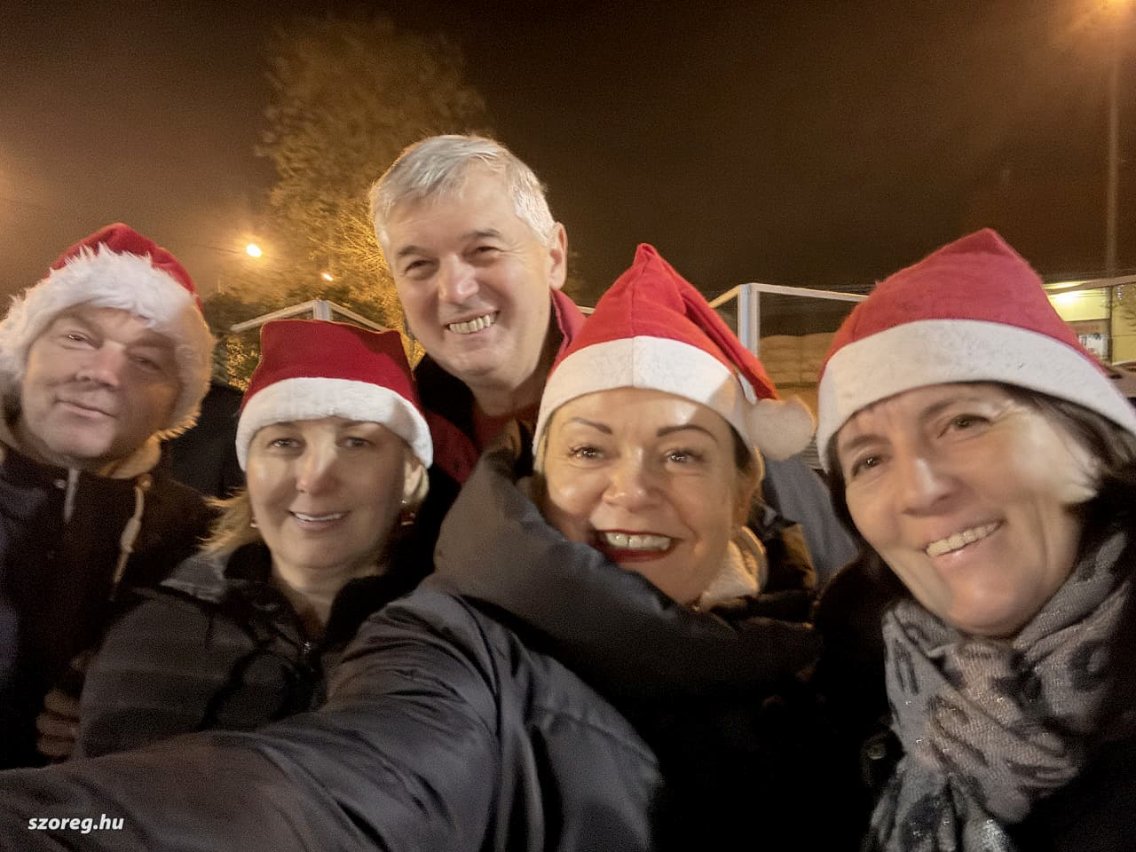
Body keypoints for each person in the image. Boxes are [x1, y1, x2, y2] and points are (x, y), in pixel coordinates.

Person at [0, 244, 859, 851]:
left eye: (682, 453)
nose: (631, 489)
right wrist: (52, 823)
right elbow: (321, 789)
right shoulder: (456, 641)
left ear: (744, 492)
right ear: (540, 479)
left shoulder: (855, 647)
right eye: (589, 450)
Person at [371, 133, 853, 585]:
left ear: (554, 257)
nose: (454, 290)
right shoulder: (394, 442)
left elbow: (837, 598)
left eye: (483, 250)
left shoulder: (703, 409)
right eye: (419, 265)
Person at [812, 229, 1136, 851]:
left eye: (964, 422)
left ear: (1094, 443)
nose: (918, 490)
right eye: (868, 460)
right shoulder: (844, 706)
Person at [74, 319, 432, 757]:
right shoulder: (151, 622)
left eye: (356, 443)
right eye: (284, 443)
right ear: (249, 470)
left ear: (410, 472)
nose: (313, 480)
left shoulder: (454, 633)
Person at [0, 222, 215, 768]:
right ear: (24, 352)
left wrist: (151, 734)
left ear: (175, 402)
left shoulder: (202, 546)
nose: (103, 374)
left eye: (146, 360)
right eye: (78, 338)